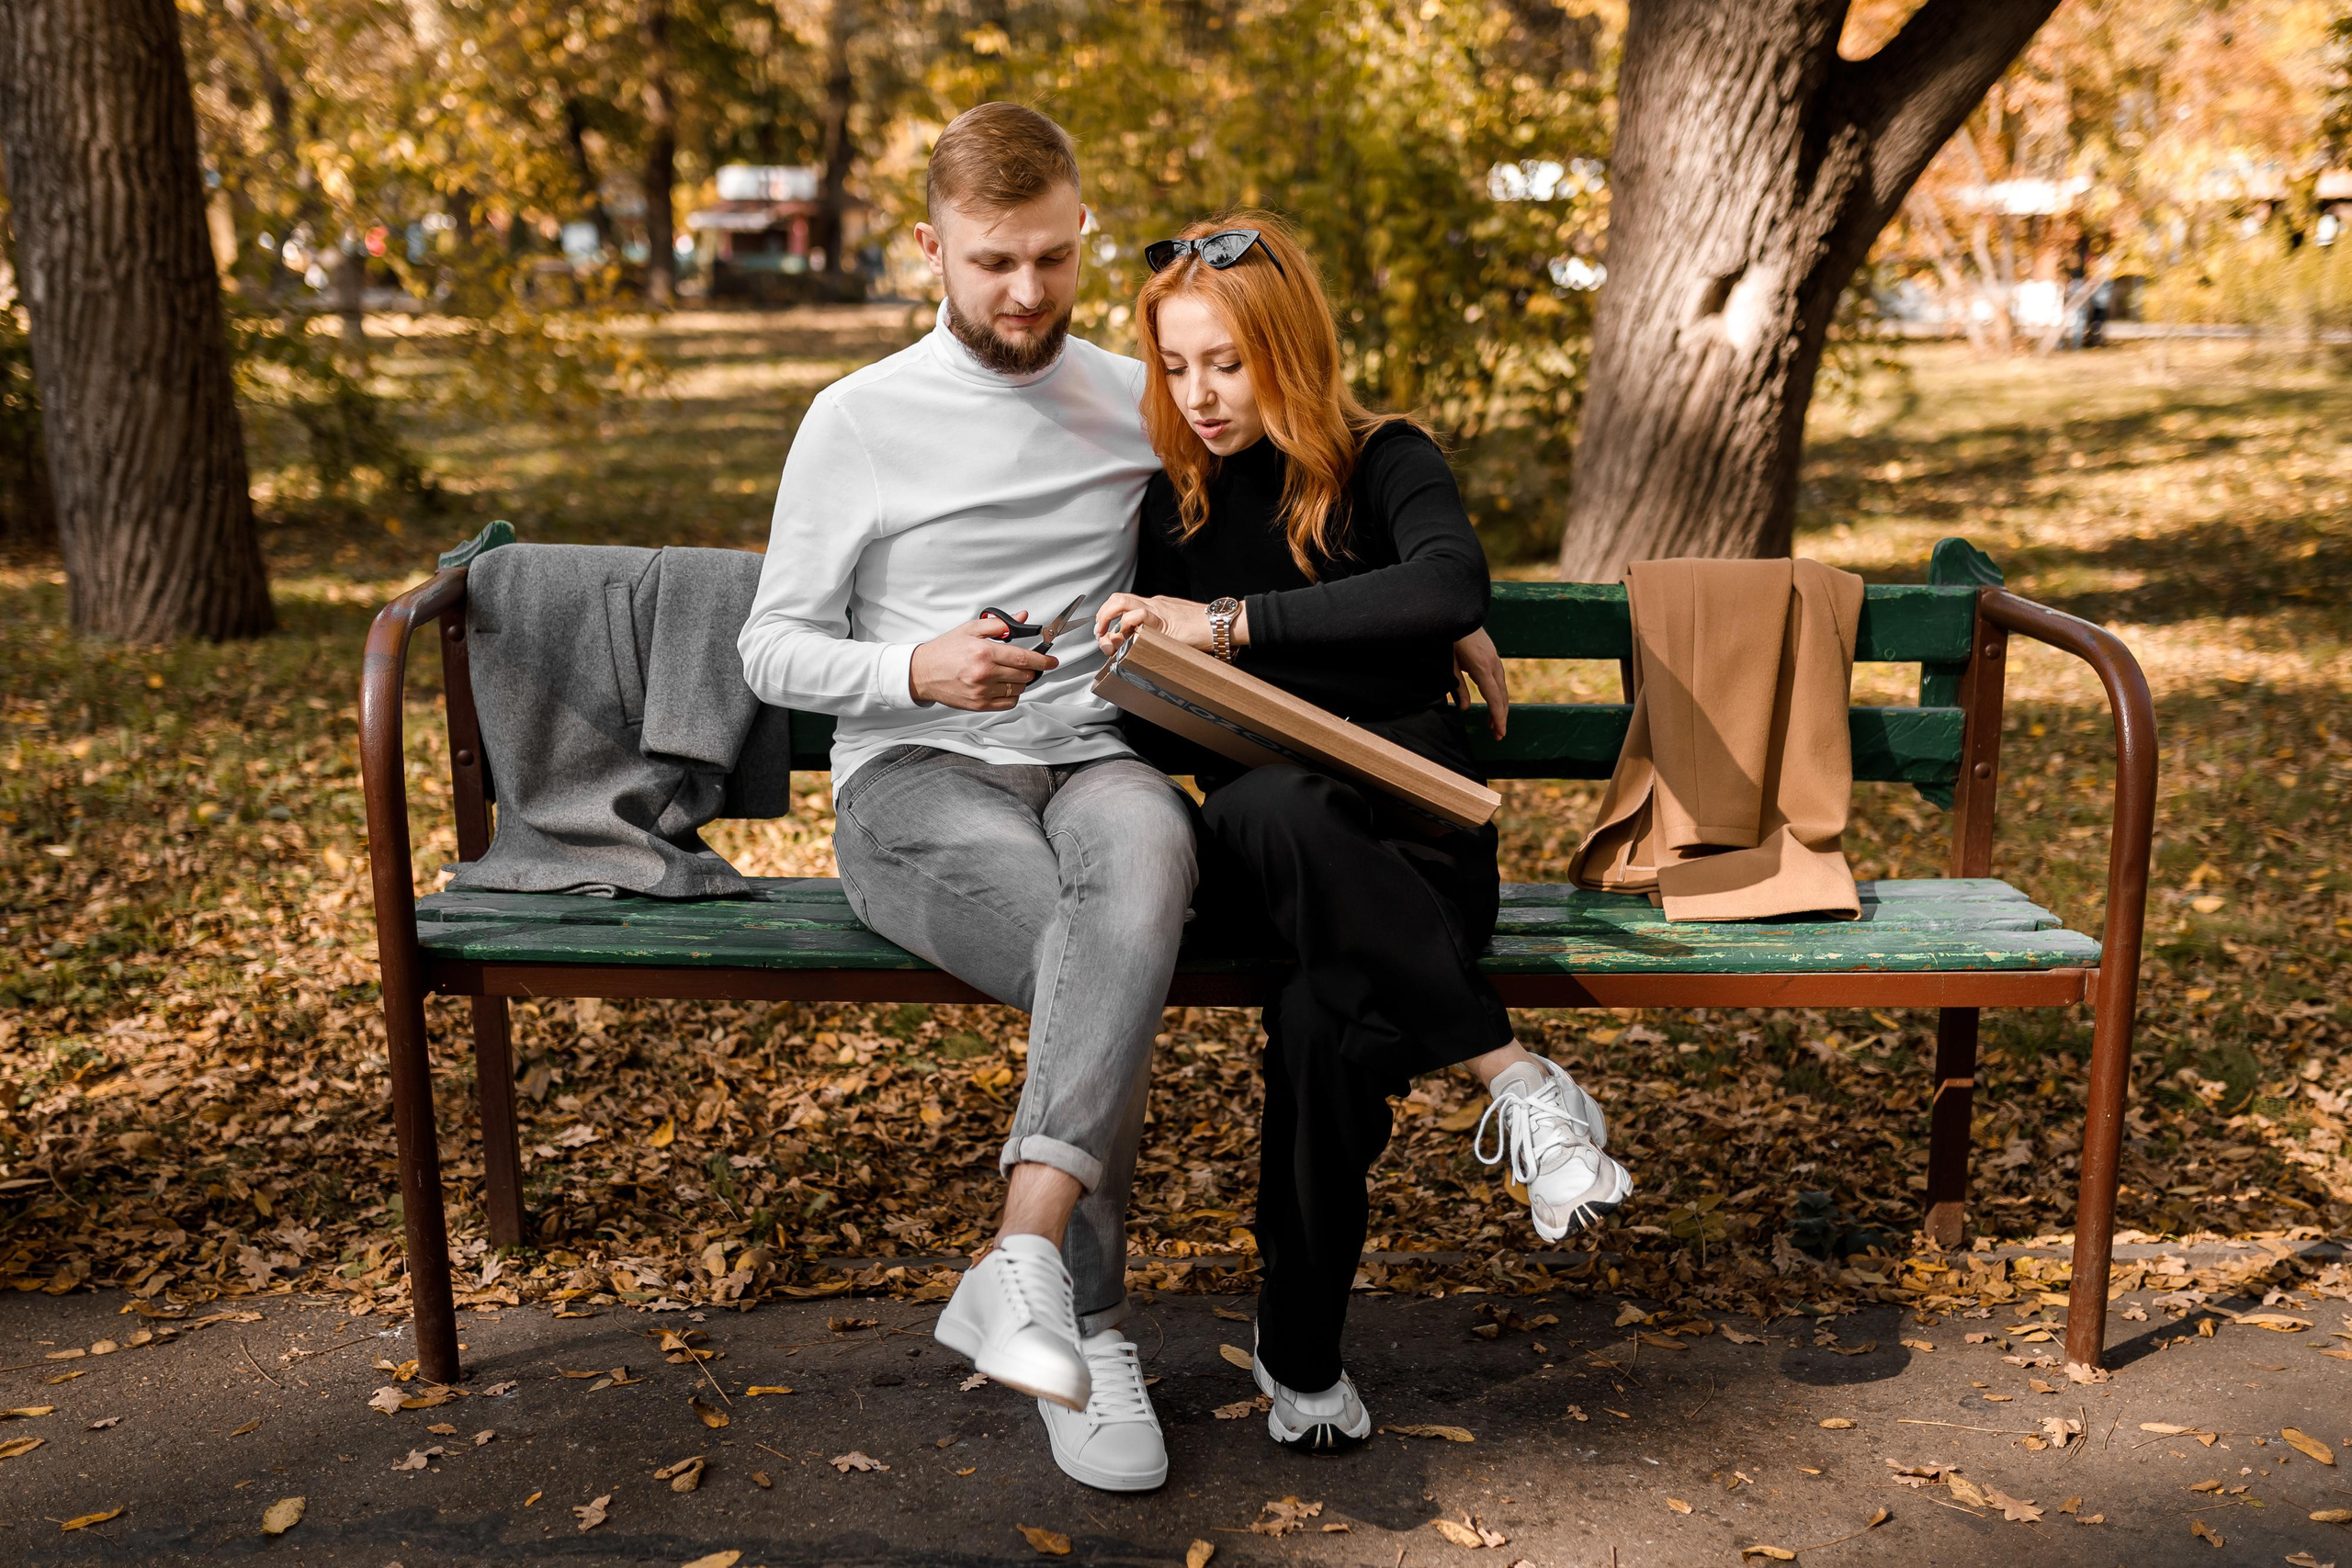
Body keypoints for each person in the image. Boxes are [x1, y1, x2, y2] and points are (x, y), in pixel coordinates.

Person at [1093, 213, 1634, 1453]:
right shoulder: (1173, 507)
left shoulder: (1388, 461)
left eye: (1225, 362)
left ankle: (1301, 1363)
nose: (1200, 395)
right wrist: (1144, 677)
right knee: (1278, 803)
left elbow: (1448, 587)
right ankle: (1511, 1075)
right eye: (1176, 368)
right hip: (1264, 869)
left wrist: (1230, 630)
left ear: (1288, 345)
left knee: (1323, 1019)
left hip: (1416, 863)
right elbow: (1164, 743)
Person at [738, 104, 1189, 1494]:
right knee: (1092, 953)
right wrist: (915, 669)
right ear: (931, 248)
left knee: (1156, 852)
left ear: (1081, 237)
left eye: (1053, 258)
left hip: (1096, 759)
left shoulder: (1132, 397)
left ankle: (1025, 1267)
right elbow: (770, 644)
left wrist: (1443, 593)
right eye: (995, 262)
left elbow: (1312, 460)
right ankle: (1090, 1325)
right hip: (915, 781)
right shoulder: (860, 417)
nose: (1027, 294)